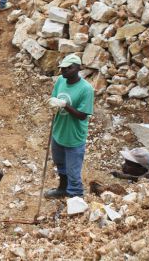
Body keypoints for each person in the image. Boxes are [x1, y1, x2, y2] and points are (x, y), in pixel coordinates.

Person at [45, 54, 94, 198]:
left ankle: (75, 195)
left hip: (74, 136)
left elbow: (82, 115)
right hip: (58, 131)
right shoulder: (60, 80)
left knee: (73, 171)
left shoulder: (86, 89)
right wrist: (53, 104)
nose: (64, 71)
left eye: (68, 68)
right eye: (62, 68)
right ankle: (62, 189)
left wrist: (65, 105)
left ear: (78, 68)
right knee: (60, 164)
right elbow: (54, 97)